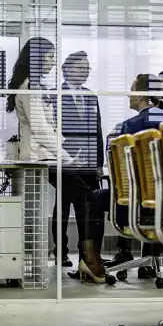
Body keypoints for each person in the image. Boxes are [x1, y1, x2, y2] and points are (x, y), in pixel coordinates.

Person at [70, 74, 163, 281]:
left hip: (139, 203)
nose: (128, 95)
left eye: (132, 91)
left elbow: (122, 172)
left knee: (92, 198)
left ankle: (93, 263)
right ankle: (148, 260)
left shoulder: (129, 127)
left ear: (141, 95)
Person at [49, 51, 103, 267]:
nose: (85, 73)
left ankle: (86, 253)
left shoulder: (92, 96)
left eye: (87, 69)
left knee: (87, 208)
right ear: (67, 69)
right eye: (81, 68)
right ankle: (60, 251)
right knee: (62, 208)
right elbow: (52, 129)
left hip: (88, 163)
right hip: (64, 161)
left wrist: (98, 163)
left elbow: (97, 130)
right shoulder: (54, 94)